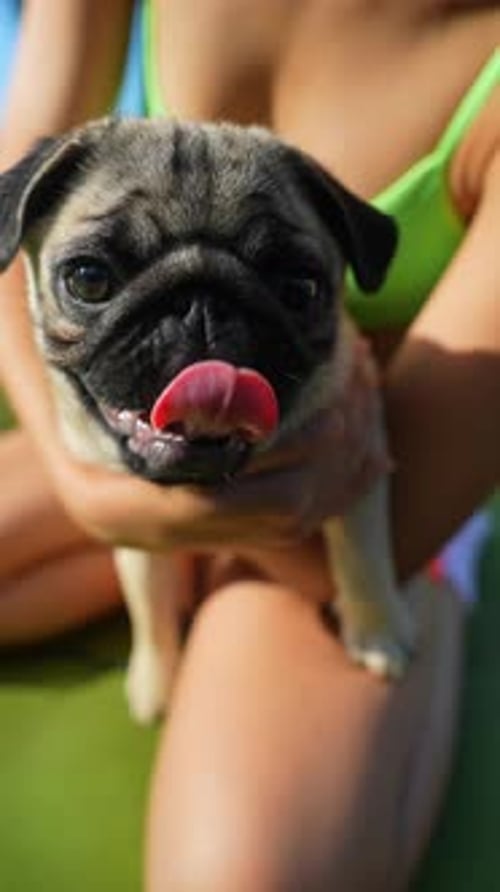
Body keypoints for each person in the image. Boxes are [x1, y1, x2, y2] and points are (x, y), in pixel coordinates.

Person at [0, 0, 498, 889]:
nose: (201, 328)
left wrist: (132, 506)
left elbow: (393, 498)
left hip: (368, 495)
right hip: (109, 442)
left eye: (291, 281)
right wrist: (97, 493)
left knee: (243, 874)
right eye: (97, 274)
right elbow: (22, 156)